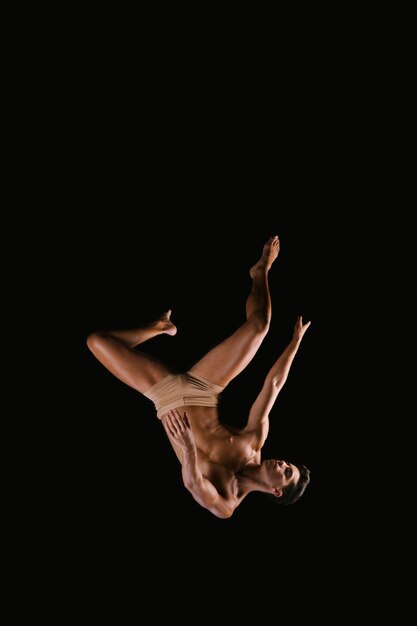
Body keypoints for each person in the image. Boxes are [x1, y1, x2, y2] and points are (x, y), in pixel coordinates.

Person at [86, 235, 311, 519]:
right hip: (203, 389)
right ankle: (260, 271)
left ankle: (158, 327)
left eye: (285, 472)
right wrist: (295, 342)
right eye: (287, 464)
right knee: (259, 327)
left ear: (277, 491)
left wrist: (189, 448)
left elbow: (193, 484)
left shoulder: (228, 501)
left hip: (165, 396)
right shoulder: (254, 441)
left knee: (96, 341)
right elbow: (274, 384)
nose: (281, 464)